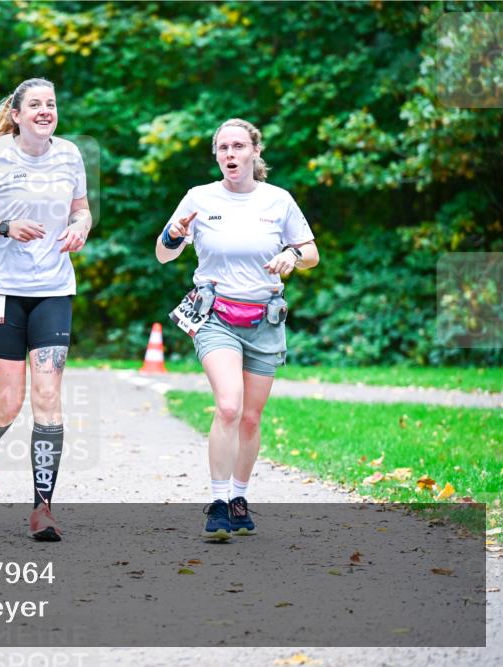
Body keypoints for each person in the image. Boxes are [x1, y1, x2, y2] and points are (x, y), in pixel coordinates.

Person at [155, 118, 319, 540]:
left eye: (239, 146)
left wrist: (291, 256)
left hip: (264, 319)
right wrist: (173, 234)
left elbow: (311, 252)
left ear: (254, 152)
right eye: (223, 147)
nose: (231, 154)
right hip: (215, 316)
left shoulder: (278, 201)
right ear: (216, 154)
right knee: (228, 406)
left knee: (250, 417)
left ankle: (240, 498)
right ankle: (217, 502)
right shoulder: (199, 197)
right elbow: (163, 255)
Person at [0, 77, 92, 541]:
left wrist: (80, 228)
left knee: (48, 398)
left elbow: (81, 209)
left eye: (51, 103)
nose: (45, 110)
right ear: (16, 113)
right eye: (35, 104)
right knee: (9, 403)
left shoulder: (69, 154)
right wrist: (5, 226)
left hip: (53, 286)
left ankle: (43, 509)